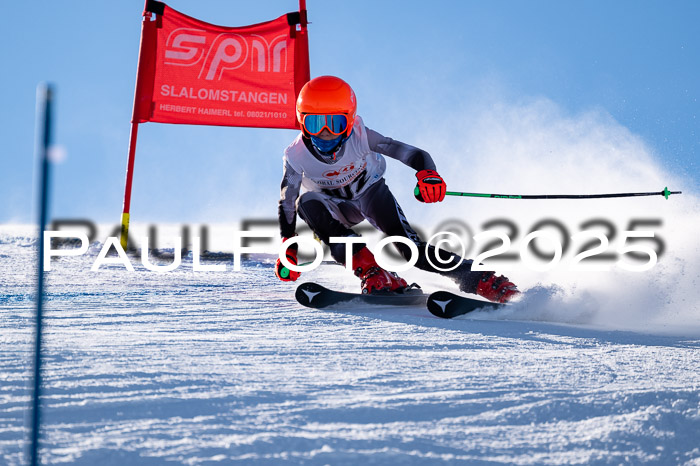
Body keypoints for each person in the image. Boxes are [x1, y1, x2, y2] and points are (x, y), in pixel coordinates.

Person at [274, 75, 519, 303]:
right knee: (306, 202)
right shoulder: (295, 155)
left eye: (335, 124)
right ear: (301, 121)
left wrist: (428, 174)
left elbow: (412, 153)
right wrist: (289, 245)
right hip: (331, 206)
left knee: (410, 249)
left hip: (370, 193)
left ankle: (483, 280)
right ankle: (372, 272)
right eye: (315, 123)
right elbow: (287, 201)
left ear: (349, 121)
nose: (325, 134)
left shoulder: (362, 136)